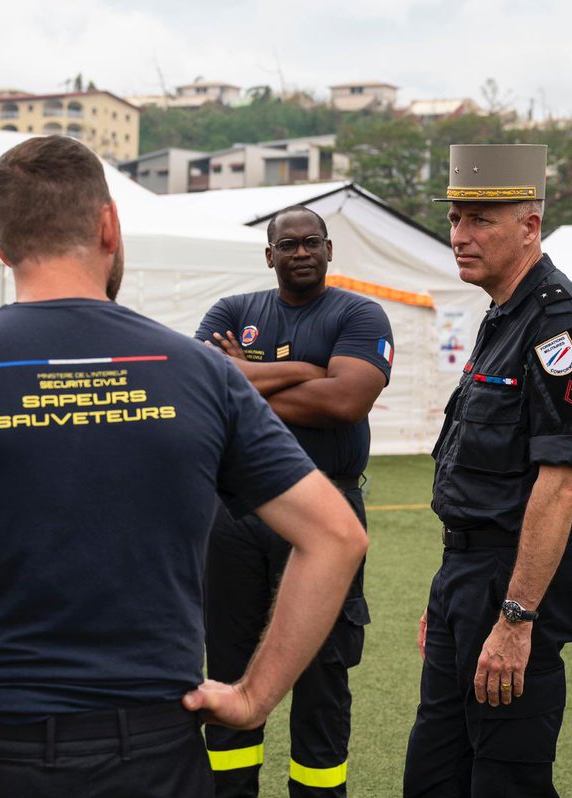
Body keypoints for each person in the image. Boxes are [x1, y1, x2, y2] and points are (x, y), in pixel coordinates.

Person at [0, 135, 369, 798]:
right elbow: (335, 536)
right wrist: (255, 696)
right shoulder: (196, 370)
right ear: (109, 226)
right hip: (153, 748)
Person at [403, 144, 572, 797]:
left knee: (504, 781)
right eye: (457, 218)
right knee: (434, 778)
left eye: (481, 221)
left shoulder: (558, 325)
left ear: (530, 226)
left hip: (513, 581)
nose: (460, 237)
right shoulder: (502, 313)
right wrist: (451, 595)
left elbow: (560, 484)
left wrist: (515, 617)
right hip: (467, 580)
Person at [196, 206, 393, 798]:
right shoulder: (234, 311)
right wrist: (305, 369)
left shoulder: (358, 312)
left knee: (321, 672)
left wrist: (248, 376)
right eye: (289, 244)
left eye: (312, 242)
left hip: (324, 510)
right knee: (227, 666)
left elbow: (345, 402)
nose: (301, 252)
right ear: (269, 255)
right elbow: (205, 384)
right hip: (233, 516)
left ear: (329, 250)